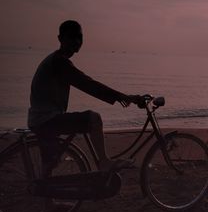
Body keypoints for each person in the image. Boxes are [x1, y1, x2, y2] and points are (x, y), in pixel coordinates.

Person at [28, 20, 138, 173]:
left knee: (50, 164)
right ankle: (104, 163)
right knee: (94, 118)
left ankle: (45, 194)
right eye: (72, 37)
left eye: (79, 37)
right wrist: (122, 97)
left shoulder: (56, 60)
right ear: (60, 39)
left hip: (41, 119)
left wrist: (122, 96)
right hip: (46, 120)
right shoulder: (59, 62)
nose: (77, 41)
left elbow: (85, 83)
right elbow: (87, 84)